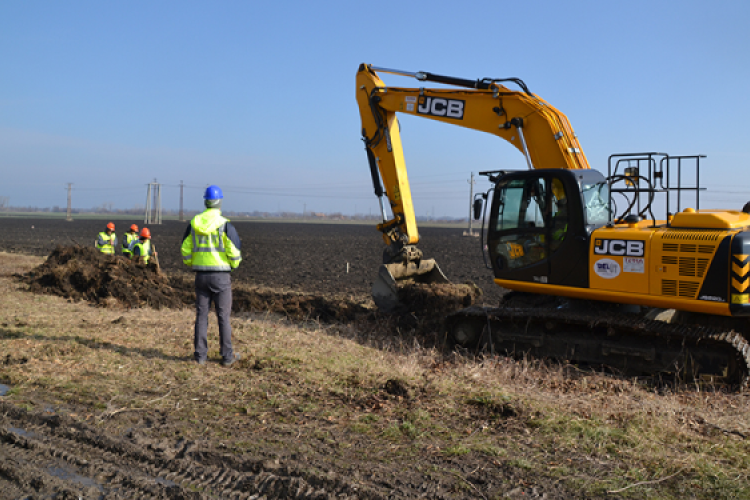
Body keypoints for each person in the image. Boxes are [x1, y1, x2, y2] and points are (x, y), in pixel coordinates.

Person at [181, 185, 242, 367]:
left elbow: (185, 249)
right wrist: (233, 265)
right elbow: (235, 251)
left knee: (201, 315)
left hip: (200, 276)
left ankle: (200, 356)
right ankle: (227, 357)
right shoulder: (225, 225)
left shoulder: (193, 223)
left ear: (205, 201)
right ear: (220, 202)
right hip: (221, 277)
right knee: (223, 316)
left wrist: (192, 263)